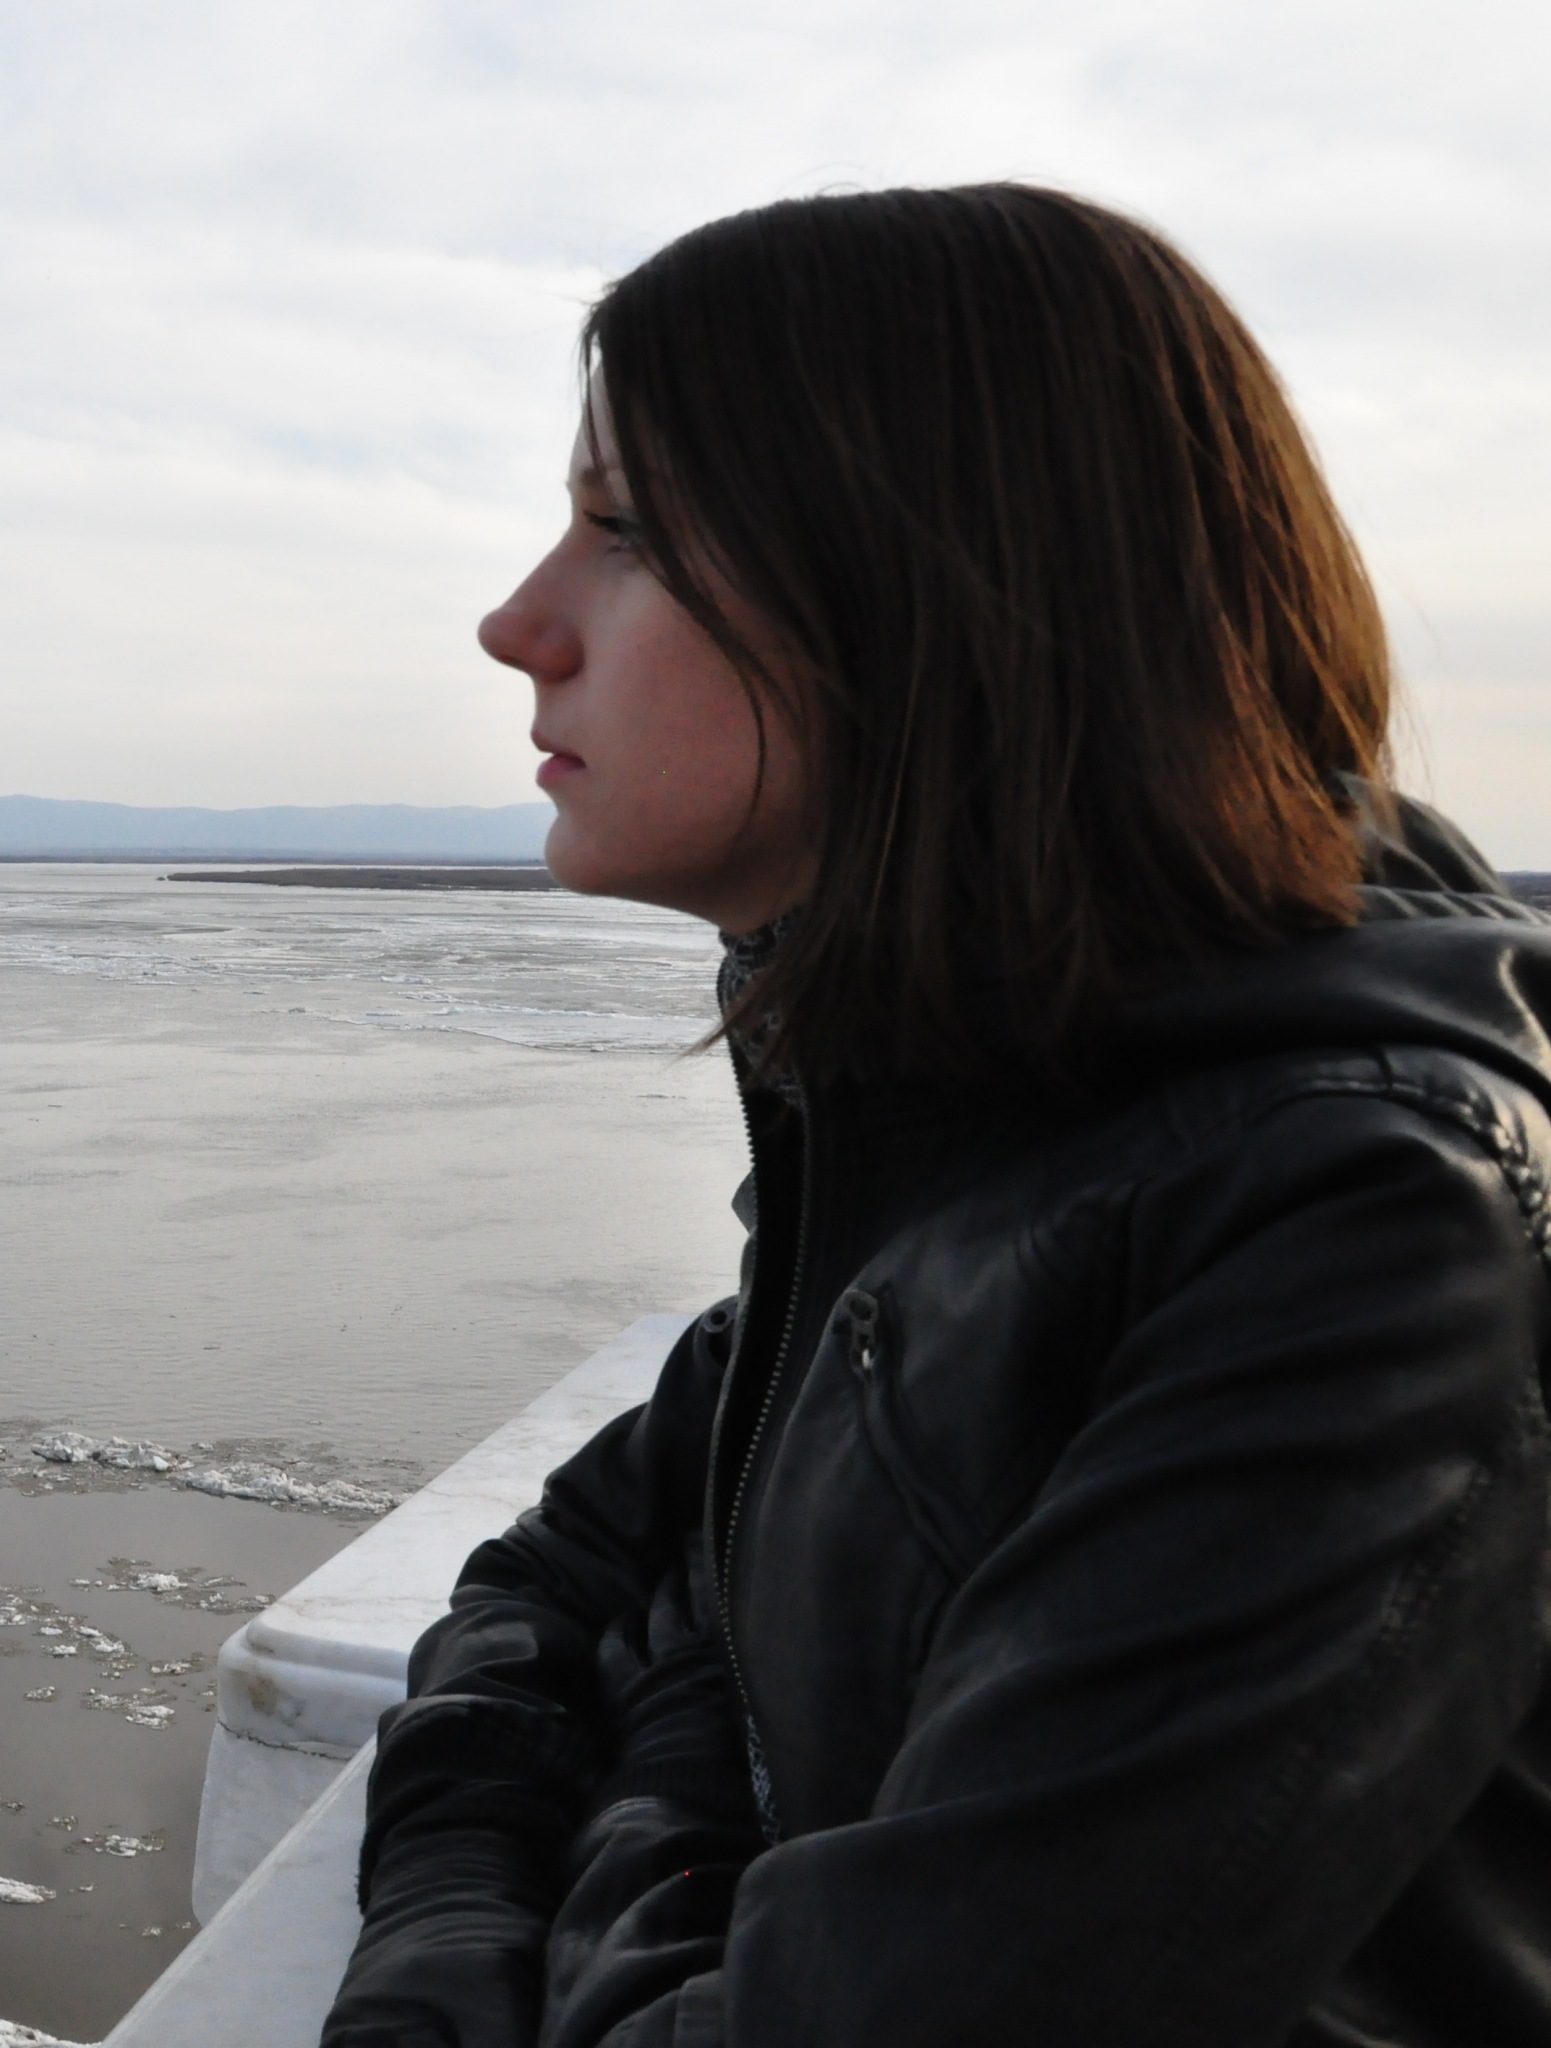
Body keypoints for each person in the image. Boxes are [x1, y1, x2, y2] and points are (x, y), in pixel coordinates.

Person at [322, 186, 1551, 2048]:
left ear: (931, 592)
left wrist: (627, 1800)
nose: (517, 625)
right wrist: (451, 1936)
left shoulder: (1355, 1212)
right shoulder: (962, 1104)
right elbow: (565, 1578)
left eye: (625, 532)